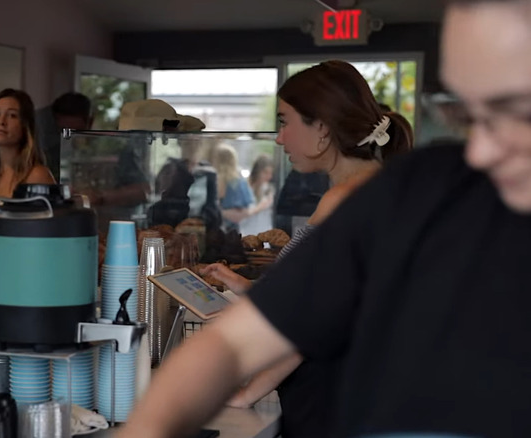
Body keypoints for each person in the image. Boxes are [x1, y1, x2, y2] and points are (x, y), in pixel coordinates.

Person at [118, 0, 531, 436]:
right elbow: (233, 345)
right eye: (466, 114)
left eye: (514, 112)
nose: (480, 151)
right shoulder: (417, 193)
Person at [201, 60, 413, 437]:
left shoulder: (343, 200)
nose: (279, 138)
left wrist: (247, 393)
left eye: (285, 121)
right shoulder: (374, 187)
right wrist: (247, 289)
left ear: (322, 128)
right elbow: (326, 299)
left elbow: (316, 323)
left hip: (327, 401)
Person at [0, 88, 55, 228]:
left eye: (12, 115)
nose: (1, 121)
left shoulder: (37, 175)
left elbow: (46, 230)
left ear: (25, 126)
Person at [213, 144, 273, 233]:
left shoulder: (234, 183)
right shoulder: (238, 184)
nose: (269, 176)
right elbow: (244, 213)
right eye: (265, 172)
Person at [35, 92, 94, 181]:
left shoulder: (97, 151)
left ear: (90, 123)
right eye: (64, 131)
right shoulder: (45, 151)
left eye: (76, 132)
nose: (69, 138)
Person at [240, 153, 276, 235]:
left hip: (264, 234)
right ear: (257, 171)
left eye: (270, 173)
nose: (269, 177)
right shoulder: (245, 188)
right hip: (247, 233)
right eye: (266, 172)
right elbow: (241, 215)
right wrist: (260, 207)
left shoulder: (268, 189)